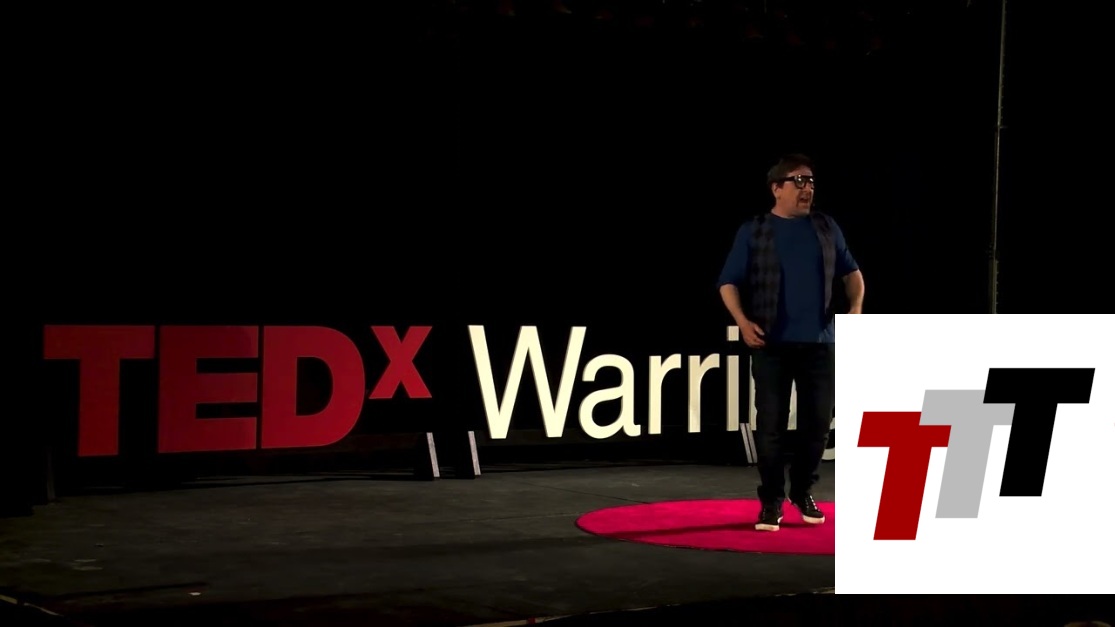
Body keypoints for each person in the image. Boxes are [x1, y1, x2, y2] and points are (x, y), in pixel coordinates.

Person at [717, 153, 864, 532]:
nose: (807, 188)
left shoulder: (826, 227)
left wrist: (856, 308)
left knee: (817, 426)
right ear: (777, 188)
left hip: (820, 343)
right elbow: (728, 283)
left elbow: (852, 273)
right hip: (772, 344)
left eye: (811, 181)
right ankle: (771, 501)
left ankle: (802, 491)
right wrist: (743, 322)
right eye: (798, 181)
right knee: (771, 426)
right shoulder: (755, 230)